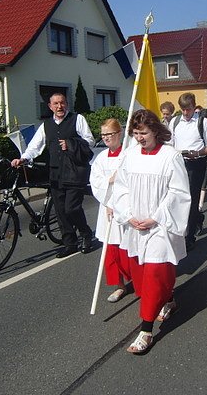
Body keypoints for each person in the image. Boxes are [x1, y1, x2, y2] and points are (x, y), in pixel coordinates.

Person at [113, 109, 191, 354]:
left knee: (155, 274)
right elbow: (121, 189)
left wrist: (156, 217)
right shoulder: (129, 155)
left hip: (160, 225)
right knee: (140, 275)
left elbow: (178, 192)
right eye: (136, 133)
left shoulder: (170, 156)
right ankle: (169, 300)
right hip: (136, 224)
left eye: (144, 133)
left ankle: (146, 331)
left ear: (156, 131)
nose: (139, 138)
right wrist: (128, 215)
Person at [11, 93, 95, 257]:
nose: (59, 106)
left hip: (75, 172)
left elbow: (90, 141)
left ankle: (85, 234)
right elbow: (35, 146)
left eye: (62, 103)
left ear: (66, 104)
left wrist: (70, 143)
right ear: (50, 107)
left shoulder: (77, 119)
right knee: (61, 211)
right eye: (55, 104)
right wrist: (23, 158)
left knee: (72, 208)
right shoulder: (46, 125)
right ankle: (70, 243)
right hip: (56, 173)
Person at [90, 118, 130, 303]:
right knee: (111, 249)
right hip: (107, 208)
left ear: (119, 134)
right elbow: (96, 182)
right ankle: (119, 285)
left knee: (128, 247)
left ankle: (138, 280)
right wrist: (109, 184)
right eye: (103, 134)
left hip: (126, 208)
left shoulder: (128, 155)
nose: (105, 137)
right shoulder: (100, 158)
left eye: (109, 134)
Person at [169, 92, 207, 250]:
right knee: (178, 198)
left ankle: (189, 237)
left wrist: (198, 153)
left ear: (194, 107)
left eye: (188, 109)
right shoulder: (175, 121)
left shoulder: (203, 122)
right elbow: (170, 143)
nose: (185, 112)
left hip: (196, 163)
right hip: (179, 164)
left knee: (191, 199)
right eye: (182, 109)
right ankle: (197, 218)